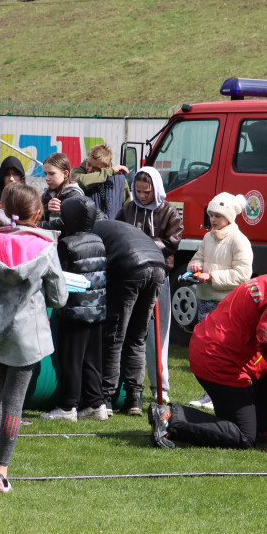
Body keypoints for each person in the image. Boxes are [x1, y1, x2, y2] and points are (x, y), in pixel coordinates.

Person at [150, 257, 267, 450]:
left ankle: (266, 431)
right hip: (219, 361)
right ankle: (169, 417)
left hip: (215, 352)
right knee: (243, 435)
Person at [0, 183, 68, 492]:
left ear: (1, 210)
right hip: (26, 338)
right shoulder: (45, 246)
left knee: (3, 394)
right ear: (37, 214)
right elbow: (60, 296)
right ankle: (2, 472)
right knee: (14, 402)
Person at [115, 167, 182, 404]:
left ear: (156, 188)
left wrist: (145, 243)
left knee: (158, 335)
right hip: (130, 278)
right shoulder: (128, 209)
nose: (142, 196)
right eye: (139, 191)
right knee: (128, 333)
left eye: (147, 192)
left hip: (158, 279)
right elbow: (117, 233)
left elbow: (174, 242)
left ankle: (160, 388)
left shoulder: (169, 212)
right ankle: (128, 388)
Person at [40, 197, 108, 422]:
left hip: (74, 312)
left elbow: (58, 278)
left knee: (71, 359)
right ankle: (96, 404)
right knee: (92, 360)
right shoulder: (98, 240)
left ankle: (68, 407)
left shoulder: (66, 244)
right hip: (97, 311)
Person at [92, 218, 167, 416]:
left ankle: (106, 398)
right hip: (158, 265)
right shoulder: (113, 226)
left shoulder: (91, 231)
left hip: (131, 265)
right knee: (137, 337)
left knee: (115, 336)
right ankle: (134, 398)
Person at [186, 192, 254, 410]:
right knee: (206, 351)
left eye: (218, 216)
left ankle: (219, 397)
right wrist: (195, 266)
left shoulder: (239, 240)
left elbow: (243, 274)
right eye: (211, 215)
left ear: (230, 217)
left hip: (226, 304)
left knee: (220, 352)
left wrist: (212, 277)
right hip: (205, 300)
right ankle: (209, 394)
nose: (213, 220)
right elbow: (197, 257)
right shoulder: (208, 237)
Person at [72, 144, 130, 220]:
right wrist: (110, 172)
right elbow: (83, 182)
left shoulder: (120, 180)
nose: (89, 169)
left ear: (107, 168)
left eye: (95, 168)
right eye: (89, 164)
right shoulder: (79, 171)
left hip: (112, 228)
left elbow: (127, 208)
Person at [39, 152, 85, 231]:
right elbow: (32, 216)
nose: (47, 178)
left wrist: (38, 226)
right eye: (45, 174)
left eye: (51, 173)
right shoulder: (46, 195)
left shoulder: (74, 196)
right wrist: (46, 208)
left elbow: (67, 224)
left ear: (65, 174)